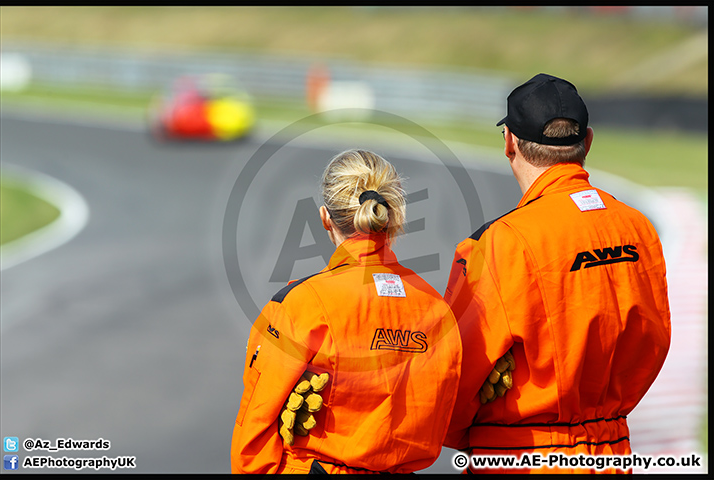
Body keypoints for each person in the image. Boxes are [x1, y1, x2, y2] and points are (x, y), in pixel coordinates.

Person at [443, 73, 671, 474]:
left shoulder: (501, 242)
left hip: (518, 455)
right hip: (613, 453)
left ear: (509, 143)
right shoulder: (638, 227)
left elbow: (450, 378)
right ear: (587, 143)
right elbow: (654, 341)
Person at [231, 149, 462, 474]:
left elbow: (253, 438)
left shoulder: (301, 303)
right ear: (392, 217)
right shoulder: (438, 310)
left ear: (326, 217)